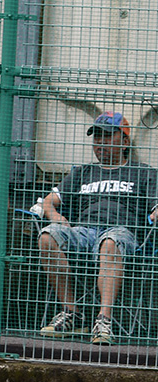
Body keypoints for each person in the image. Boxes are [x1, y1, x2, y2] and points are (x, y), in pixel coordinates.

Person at [37, 111, 158, 345]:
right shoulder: (82, 172)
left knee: (110, 242)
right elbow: (48, 201)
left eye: (107, 136)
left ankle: (104, 320)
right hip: (84, 231)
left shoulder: (145, 173)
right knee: (47, 236)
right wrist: (56, 217)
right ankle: (72, 313)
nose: (100, 142)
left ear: (124, 141)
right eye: (97, 137)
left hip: (124, 233)